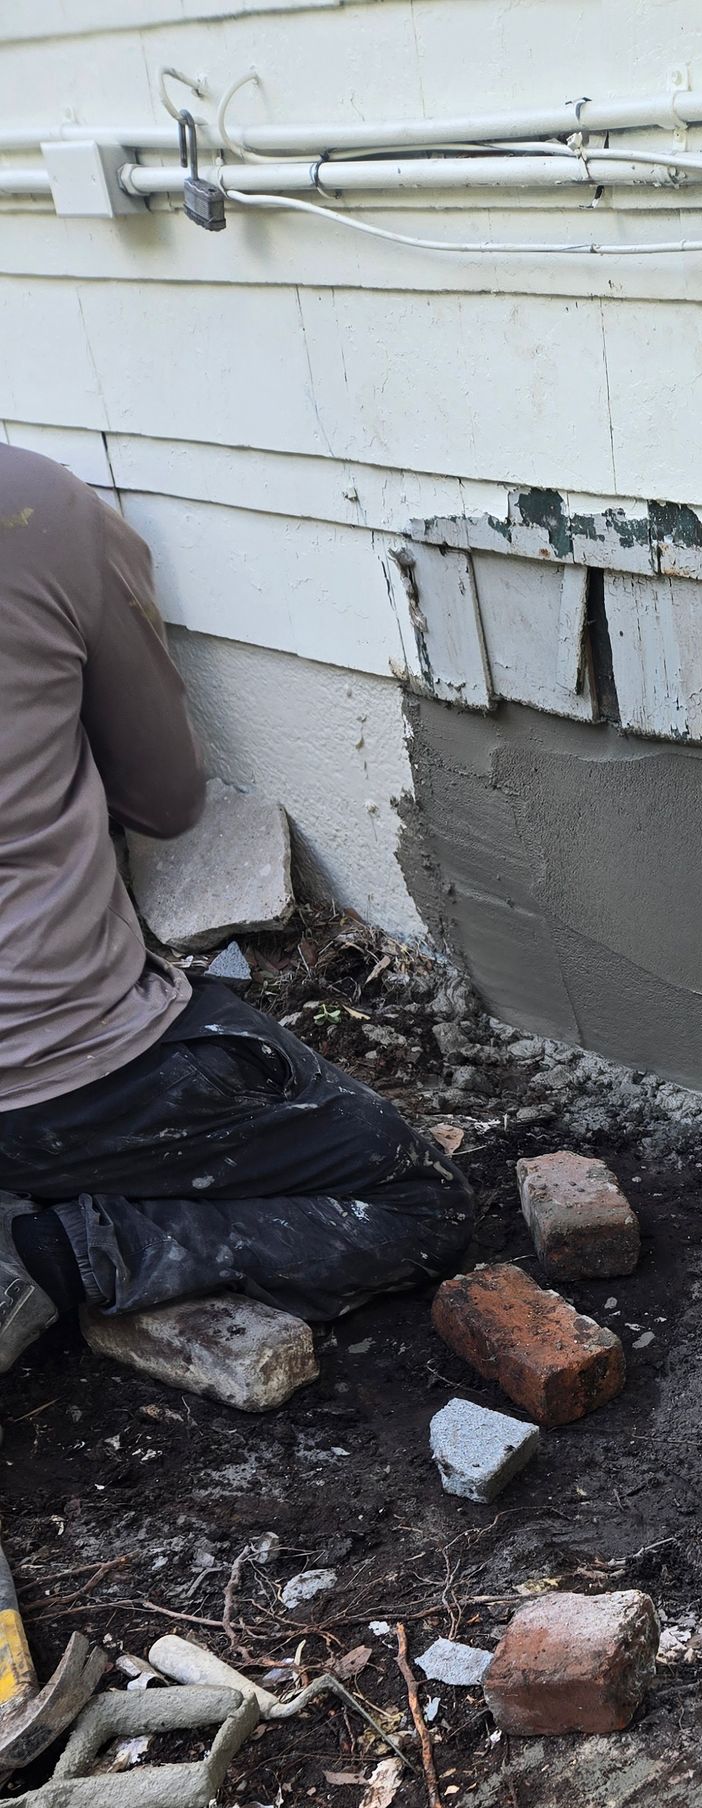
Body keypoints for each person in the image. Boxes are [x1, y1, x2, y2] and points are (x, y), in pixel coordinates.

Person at [0, 445, 473, 1375]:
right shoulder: (30, 512)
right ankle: (50, 1258)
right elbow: (167, 803)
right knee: (420, 1207)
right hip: (54, 1075)